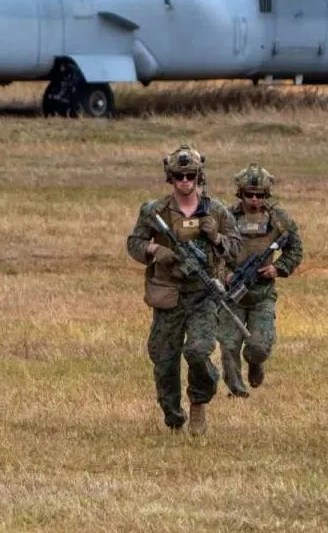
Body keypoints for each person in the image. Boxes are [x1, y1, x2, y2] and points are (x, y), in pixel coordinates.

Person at [126, 145, 241, 434]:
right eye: (179, 176)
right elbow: (134, 243)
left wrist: (216, 238)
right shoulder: (156, 211)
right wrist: (155, 250)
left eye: (190, 175)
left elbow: (236, 251)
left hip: (203, 295)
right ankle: (174, 416)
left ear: (199, 176)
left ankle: (199, 401)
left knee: (199, 351)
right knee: (164, 362)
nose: (185, 181)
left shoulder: (216, 211)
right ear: (171, 178)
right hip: (169, 294)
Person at [218, 163, 303, 396]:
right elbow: (213, 252)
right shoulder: (226, 218)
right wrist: (224, 274)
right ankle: (236, 391)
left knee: (259, 347)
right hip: (231, 295)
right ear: (240, 193)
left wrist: (278, 268)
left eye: (259, 195)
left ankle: (255, 362)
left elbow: (295, 249)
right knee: (228, 345)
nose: (254, 199)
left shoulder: (278, 219)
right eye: (249, 194)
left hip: (262, 295)